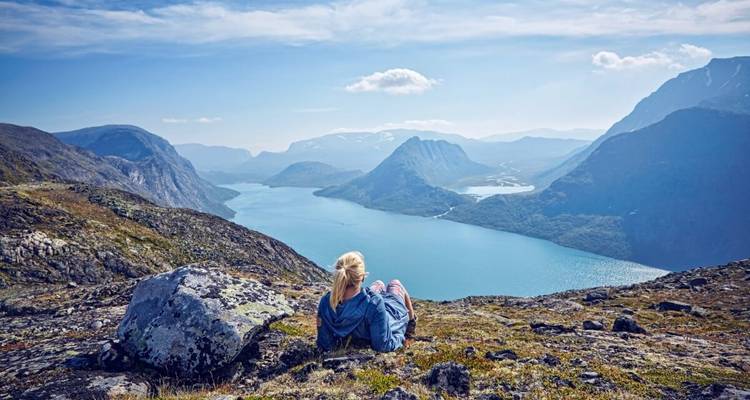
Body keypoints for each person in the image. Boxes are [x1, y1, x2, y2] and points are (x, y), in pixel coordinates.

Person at [316, 251, 417, 352]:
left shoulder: (326, 302)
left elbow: (325, 343)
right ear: (362, 277)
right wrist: (401, 337)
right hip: (388, 315)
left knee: (378, 283)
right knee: (395, 283)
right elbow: (383, 345)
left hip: (367, 305)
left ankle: (379, 285)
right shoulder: (374, 304)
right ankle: (410, 329)